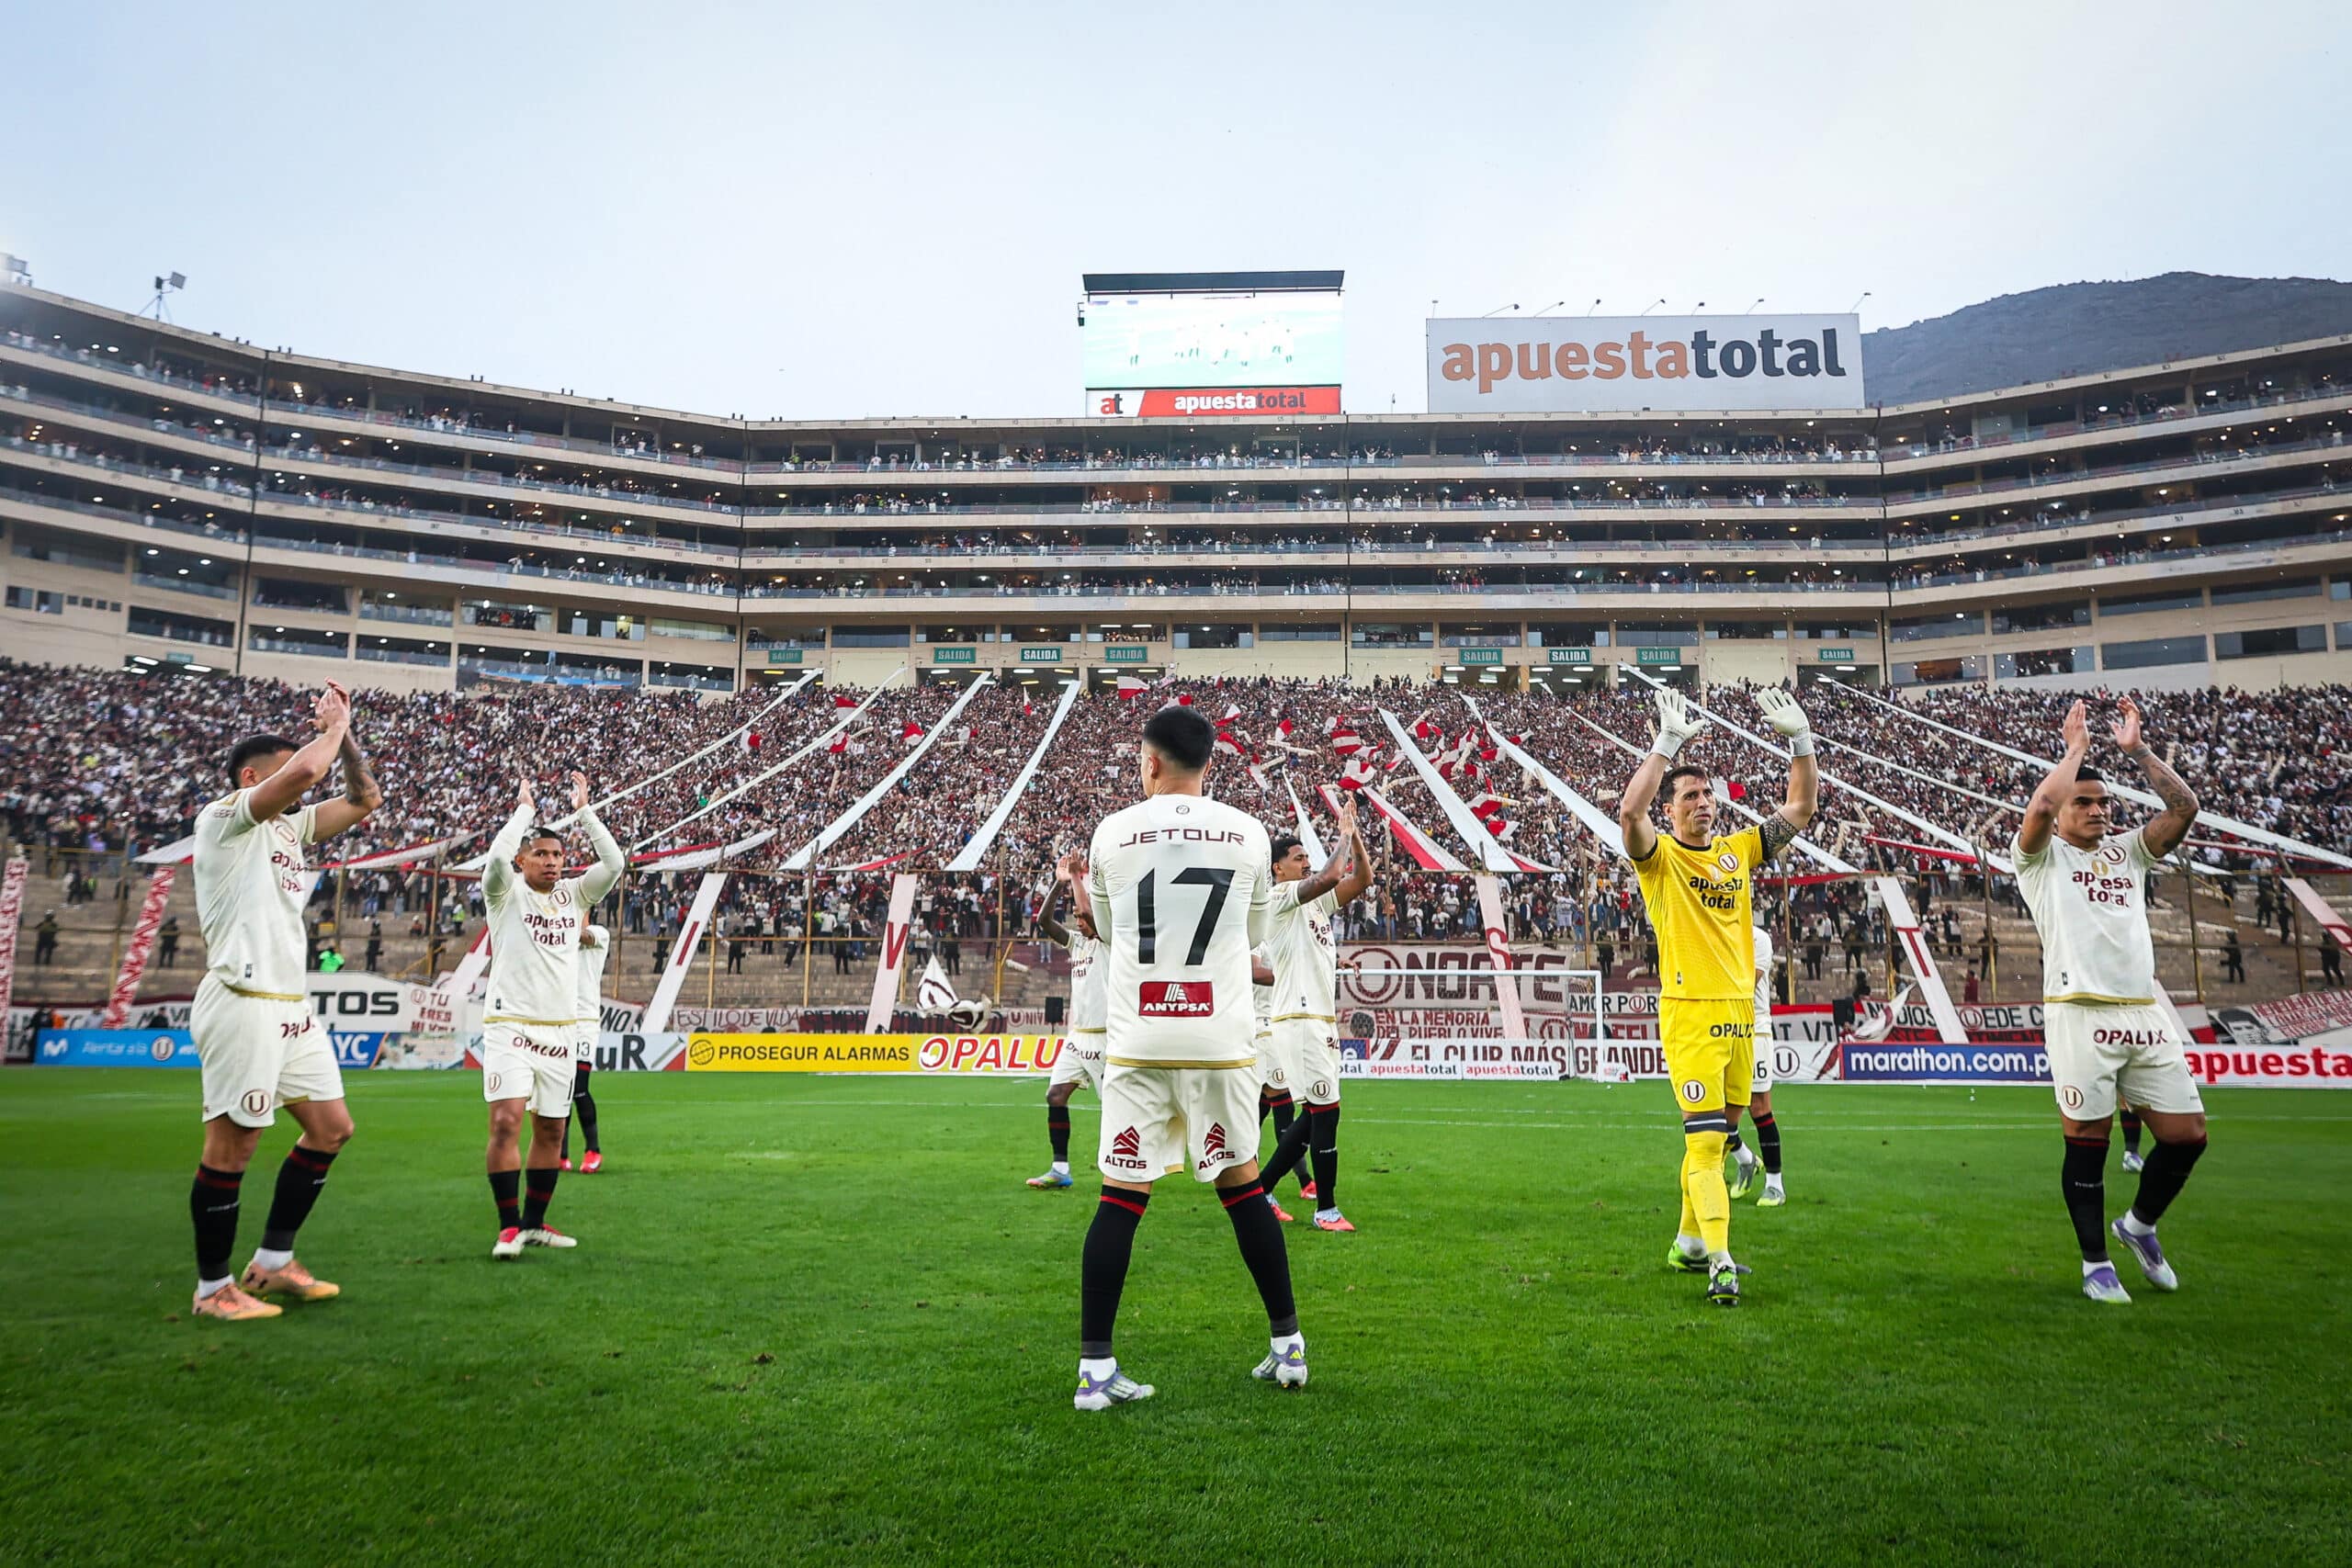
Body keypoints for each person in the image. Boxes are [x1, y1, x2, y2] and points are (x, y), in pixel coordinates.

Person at [1072, 704, 1302, 1409]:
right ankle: (1288, 1348)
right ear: (1210, 764)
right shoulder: (1249, 832)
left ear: (1148, 763)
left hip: (1139, 1038)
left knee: (1120, 1197)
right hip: (1219, 1039)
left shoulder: (1112, 831)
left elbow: (1108, 931)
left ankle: (1095, 1371)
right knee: (1241, 1188)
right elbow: (1255, 927)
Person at [185, 680, 382, 1322]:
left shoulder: (290, 829)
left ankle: (272, 1264)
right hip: (241, 996)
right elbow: (303, 771)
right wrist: (327, 729)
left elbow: (364, 798)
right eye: (285, 773)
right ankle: (213, 1288)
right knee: (233, 1147)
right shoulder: (223, 818)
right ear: (250, 777)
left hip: (290, 1004)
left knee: (332, 1129)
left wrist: (345, 735)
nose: (303, 786)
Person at [1617, 685, 1817, 1307]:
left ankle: (1689, 1241)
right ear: (1671, 811)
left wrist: (1801, 741)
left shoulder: (1737, 853)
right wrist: (1663, 746)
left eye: (1708, 793)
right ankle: (1722, 1260)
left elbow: (1802, 808)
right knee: (1705, 1143)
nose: (1703, 802)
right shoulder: (1660, 859)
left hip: (1737, 1016)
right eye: (1690, 796)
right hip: (1690, 1015)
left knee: (1714, 1137)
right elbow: (1629, 814)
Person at [2011, 696, 2208, 1304]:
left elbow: (2185, 807)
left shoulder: (2129, 851)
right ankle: (2095, 1263)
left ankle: (2139, 1227)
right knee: (2088, 1142)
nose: (2099, 811)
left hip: (2142, 1009)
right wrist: (2074, 750)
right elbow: (2042, 804)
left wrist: (2138, 751)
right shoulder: (2040, 858)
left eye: (2104, 803)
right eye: (2086, 802)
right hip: (2078, 1010)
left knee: (2187, 1135)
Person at [480, 773, 623, 1260]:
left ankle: (535, 1224)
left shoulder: (576, 897)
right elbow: (497, 858)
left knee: (551, 1131)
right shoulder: (504, 893)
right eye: (540, 854)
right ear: (524, 860)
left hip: (562, 1031)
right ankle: (507, 1228)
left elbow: (615, 863)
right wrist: (524, 810)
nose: (551, 862)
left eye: (558, 856)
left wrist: (585, 812)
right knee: (506, 1121)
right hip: (510, 1026)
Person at [1254, 804, 1375, 1232]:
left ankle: (1263, 1189)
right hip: (1297, 1017)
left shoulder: (1315, 906)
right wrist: (1342, 835)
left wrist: (1354, 834)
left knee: (1314, 1114)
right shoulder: (1278, 898)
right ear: (1278, 869)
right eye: (1298, 858)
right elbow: (1329, 876)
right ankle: (1326, 1209)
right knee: (1326, 1112)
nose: (1306, 862)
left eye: (1307, 856)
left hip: (1318, 1017)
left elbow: (1362, 879)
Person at [1027, 852, 1106, 1190]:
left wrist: (1076, 876)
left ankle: (1132, 1168)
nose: (1078, 920)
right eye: (1075, 918)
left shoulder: (1109, 940)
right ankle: (1060, 1169)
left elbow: (1089, 910)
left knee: (1119, 1109)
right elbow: (1044, 923)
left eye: (1081, 917)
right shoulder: (1077, 944)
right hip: (1078, 1036)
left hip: (1108, 1038)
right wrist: (1059, 886)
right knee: (1055, 1096)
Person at [1724, 923, 1788, 1207]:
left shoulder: (1757, 938)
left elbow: (1746, 982)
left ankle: (1775, 1184)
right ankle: (1746, 1159)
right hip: (1722, 1024)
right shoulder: (1713, 930)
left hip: (1754, 1026)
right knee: (1715, 1112)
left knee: (1759, 1106)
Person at [560, 923, 609, 1174]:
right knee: (560, 1091)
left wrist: (555, 923)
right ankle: (560, 1154)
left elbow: (584, 936)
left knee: (579, 1088)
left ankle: (593, 1150)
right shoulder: (556, 938)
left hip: (584, 1022)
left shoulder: (599, 934)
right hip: (557, 1021)